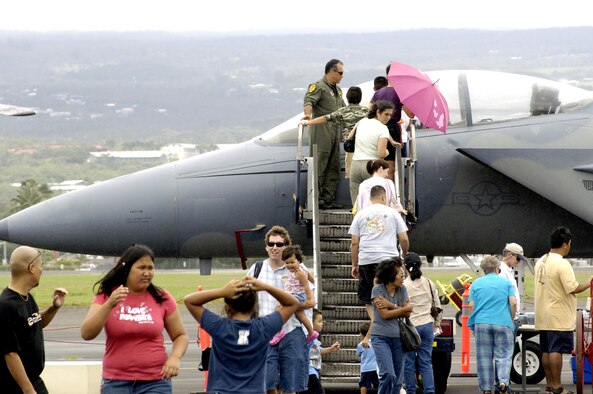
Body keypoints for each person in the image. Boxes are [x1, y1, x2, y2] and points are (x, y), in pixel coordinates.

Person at [80, 244, 189, 394]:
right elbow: (87, 333)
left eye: (150, 268)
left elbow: (180, 336)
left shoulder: (162, 297)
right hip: (116, 382)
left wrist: (175, 357)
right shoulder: (107, 296)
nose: (146, 273)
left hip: (156, 382)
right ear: (127, 269)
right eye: (141, 268)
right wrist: (109, 305)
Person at [184, 276, 299, 394]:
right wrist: (266, 287)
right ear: (254, 307)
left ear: (227, 307)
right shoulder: (263, 328)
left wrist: (222, 292)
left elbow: (190, 301)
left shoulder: (219, 327)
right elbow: (292, 303)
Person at [246, 225, 313, 394]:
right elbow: (242, 300)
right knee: (267, 384)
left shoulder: (299, 269)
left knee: (291, 387)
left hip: (292, 331)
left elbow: (311, 301)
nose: (274, 247)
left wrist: (293, 306)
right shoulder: (257, 269)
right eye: (271, 244)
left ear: (286, 247)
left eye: (279, 244)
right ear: (266, 246)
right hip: (265, 333)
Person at [0, 246, 68, 394]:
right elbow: (10, 353)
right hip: (16, 385)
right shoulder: (6, 306)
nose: (41, 270)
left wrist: (53, 308)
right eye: (41, 266)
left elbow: (35, 323)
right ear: (31, 268)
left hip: (33, 380)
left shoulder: (26, 297)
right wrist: (28, 390)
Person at [534, 226, 592, 394]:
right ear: (565, 244)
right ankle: (557, 386)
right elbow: (572, 287)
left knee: (545, 350)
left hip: (542, 313)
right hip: (557, 314)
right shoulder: (562, 263)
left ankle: (550, 385)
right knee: (556, 350)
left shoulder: (541, 260)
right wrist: (588, 284)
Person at [350, 185, 409, 347]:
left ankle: (373, 329)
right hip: (389, 261)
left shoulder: (361, 214)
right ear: (384, 197)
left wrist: (354, 264)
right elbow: (403, 239)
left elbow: (354, 243)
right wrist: (403, 256)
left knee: (370, 299)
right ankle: (378, 330)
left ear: (370, 198)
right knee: (390, 295)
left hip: (367, 260)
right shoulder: (393, 213)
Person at [467, 255, 516, 394]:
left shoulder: (476, 284)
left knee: (484, 357)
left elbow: (471, 305)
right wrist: (510, 318)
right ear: (497, 268)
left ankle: (486, 388)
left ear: (483, 269)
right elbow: (513, 302)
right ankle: (502, 381)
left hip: (481, 323)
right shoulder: (505, 283)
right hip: (502, 322)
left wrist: (473, 322)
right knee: (504, 354)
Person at [302, 59, 346, 209]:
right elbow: (309, 101)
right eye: (340, 73)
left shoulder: (338, 90)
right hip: (321, 129)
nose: (341, 76)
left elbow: (344, 110)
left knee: (333, 165)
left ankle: (327, 199)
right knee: (320, 162)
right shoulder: (318, 86)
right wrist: (308, 115)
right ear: (331, 71)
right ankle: (316, 198)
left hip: (335, 130)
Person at [301, 86, 368, 180]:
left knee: (354, 180)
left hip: (351, 149)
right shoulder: (367, 112)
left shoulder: (343, 111)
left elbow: (326, 118)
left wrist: (308, 122)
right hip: (367, 149)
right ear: (360, 98)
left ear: (347, 99)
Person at [370, 257, 412, 394]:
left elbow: (408, 313)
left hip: (399, 338)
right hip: (380, 338)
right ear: (391, 276)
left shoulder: (402, 289)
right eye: (400, 274)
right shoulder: (377, 290)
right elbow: (385, 315)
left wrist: (391, 306)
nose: (402, 277)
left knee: (398, 380)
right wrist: (402, 308)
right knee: (388, 375)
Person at [403, 253, 439, 394]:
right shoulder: (429, 282)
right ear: (421, 265)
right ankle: (429, 390)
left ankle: (411, 390)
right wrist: (437, 323)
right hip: (427, 325)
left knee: (409, 363)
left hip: (411, 326)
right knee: (426, 362)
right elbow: (436, 304)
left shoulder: (404, 285)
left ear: (405, 267)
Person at [370, 63, 415, 178]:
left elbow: (369, 110)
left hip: (376, 127)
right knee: (390, 166)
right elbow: (410, 114)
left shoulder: (378, 93)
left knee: (378, 163)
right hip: (392, 128)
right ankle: (391, 192)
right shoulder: (399, 93)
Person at [270, 245, 318, 345]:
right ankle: (311, 333)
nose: (289, 265)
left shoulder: (299, 272)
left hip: (297, 296)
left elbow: (306, 286)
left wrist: (309, 298)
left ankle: (278, 332)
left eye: (292, 262)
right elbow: (310, 277)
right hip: (297, 295)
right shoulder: (300, 269)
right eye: (287, 263)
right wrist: (314, 282)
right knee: (301, 316)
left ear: (299, 261)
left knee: (279, 308)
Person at [349, 100, 392, 205]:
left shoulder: (362, 121)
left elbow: (350, 136)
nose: (388, 117)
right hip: (370, 166)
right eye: (386, 114)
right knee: (373, 204)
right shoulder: (383, 128)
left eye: (390, 115)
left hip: (355, 165)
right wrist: (387, 152)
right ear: (378, 112)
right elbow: (381, 154)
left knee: (356, 205)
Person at [297, 309, 340, 394]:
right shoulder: (306, 337)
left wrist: (330, 349)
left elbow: (317, 350)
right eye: (319, 321)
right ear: (310, 322)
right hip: (308, 371)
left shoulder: (314, 338)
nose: (322, 323)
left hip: (313, 371)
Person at [357, 322, 379, 394]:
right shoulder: (376, 343)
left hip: (365, 368)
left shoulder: (361, 345)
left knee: (363, 384)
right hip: (375, 368)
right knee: (378, 384)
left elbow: (358, 354)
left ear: (361, 334)